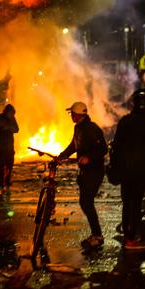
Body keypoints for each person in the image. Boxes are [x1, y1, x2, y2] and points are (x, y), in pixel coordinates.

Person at [56, 101, 108, 251]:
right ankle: (96, 234)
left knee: (86, 202)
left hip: (95, 171)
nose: (71, 116)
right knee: (85, 202)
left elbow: (103, 149)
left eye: (72, 114)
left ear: (76, 115)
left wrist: (88, 157)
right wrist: (61, 156)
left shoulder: (92, 129)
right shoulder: (78, 128)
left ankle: (98, 236)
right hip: (85, 171)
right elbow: (74, 145)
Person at [113, 92, 145, 250]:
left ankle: (127, 235)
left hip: (125, 170)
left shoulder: (125, 122)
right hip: (141, 170)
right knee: (136, 204)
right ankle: (131, 240)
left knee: (127, 203)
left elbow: (116, 145)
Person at [0, 103, 19, 199]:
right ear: (6, 112)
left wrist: (9, 127)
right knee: (1, 167)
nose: (12, 115)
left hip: (10, 147)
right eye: (11, 113)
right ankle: (0, 186)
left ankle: (7, 185)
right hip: (0, 146)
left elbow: (17, 129)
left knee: (9, 166)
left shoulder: (12, 119)